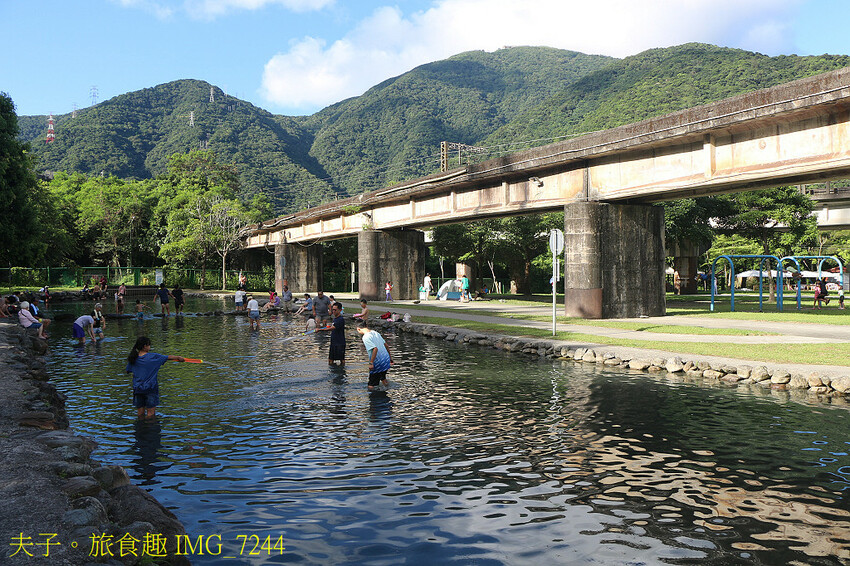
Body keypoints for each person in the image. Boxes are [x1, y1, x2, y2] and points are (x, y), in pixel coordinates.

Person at [125, 336, 185, 420]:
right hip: (150, 389)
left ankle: (140, 430)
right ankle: (150, 429)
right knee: (150, 414)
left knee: (140, 413)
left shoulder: (133, 358)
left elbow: (128, 371)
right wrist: (179, 358)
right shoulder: (153, 357)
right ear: (145, 346)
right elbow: (168, 357)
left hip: (137, 389)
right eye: (149, 345)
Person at [357, 322, 392, 391]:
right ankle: (388, 389)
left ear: (358, 329)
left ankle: (374, 398)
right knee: (383, 378)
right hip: (386, 360)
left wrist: (371, 363)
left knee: (371, 384)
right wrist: (390, 358)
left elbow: (375, 349)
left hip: (378, 362)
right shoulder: (375, 333)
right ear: (366, 326)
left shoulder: (366, 337)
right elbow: (386, 345)